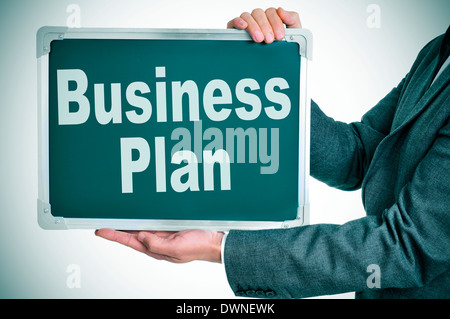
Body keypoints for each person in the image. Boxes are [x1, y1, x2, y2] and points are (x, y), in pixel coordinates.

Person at [95, 7, 450, 299]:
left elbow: (407, 245)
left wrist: (221, 247)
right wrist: (270, 78)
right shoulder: (438, 50)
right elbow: (361, 156)